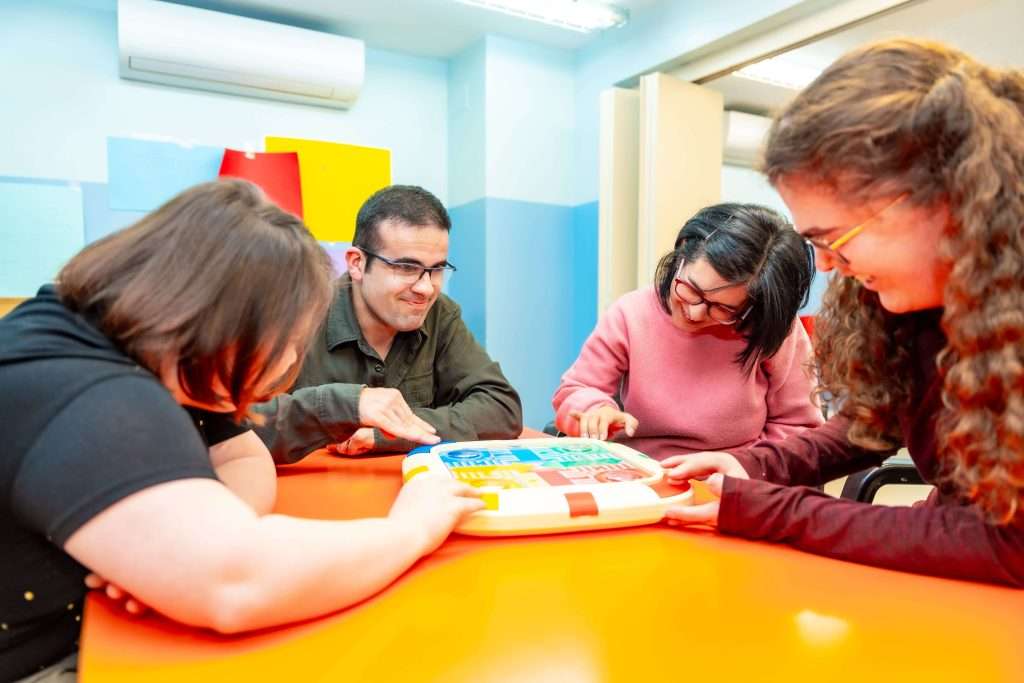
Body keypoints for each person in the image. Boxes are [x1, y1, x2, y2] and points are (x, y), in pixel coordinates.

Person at [0, 180, 483, 681]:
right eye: (287, 340)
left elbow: (242, 455)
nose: (292, 361)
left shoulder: (145, 342)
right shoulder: (92, 391)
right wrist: (411, 529)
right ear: (219, 321)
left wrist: (185, 545)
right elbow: (237, 583)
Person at [662, 38, 1024, 587]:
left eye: (836, 239)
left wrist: (774, 512)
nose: (829, 266)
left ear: (948, 197)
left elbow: (1007, 545)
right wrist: (755, 467)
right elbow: (871, 424)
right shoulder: (918, 306)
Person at [253, 185, 523, 463]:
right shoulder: (299, 312)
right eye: (406, 267)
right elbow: (236, 427)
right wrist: (343, 405)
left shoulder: (440, 313)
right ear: (357, 263)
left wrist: (389, 432)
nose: (426, 289)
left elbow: (502, 408)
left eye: (437, 269)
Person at [553, 203, 822, 460]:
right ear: (681, 253)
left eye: (723, 308)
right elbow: (576, 390)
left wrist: (749, 469)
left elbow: (800, 426)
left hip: (735, 478)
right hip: (644, 472)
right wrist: (594, 409)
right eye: (691, 288)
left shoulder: (775, 329)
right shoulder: (631, 313)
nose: (694, 313)